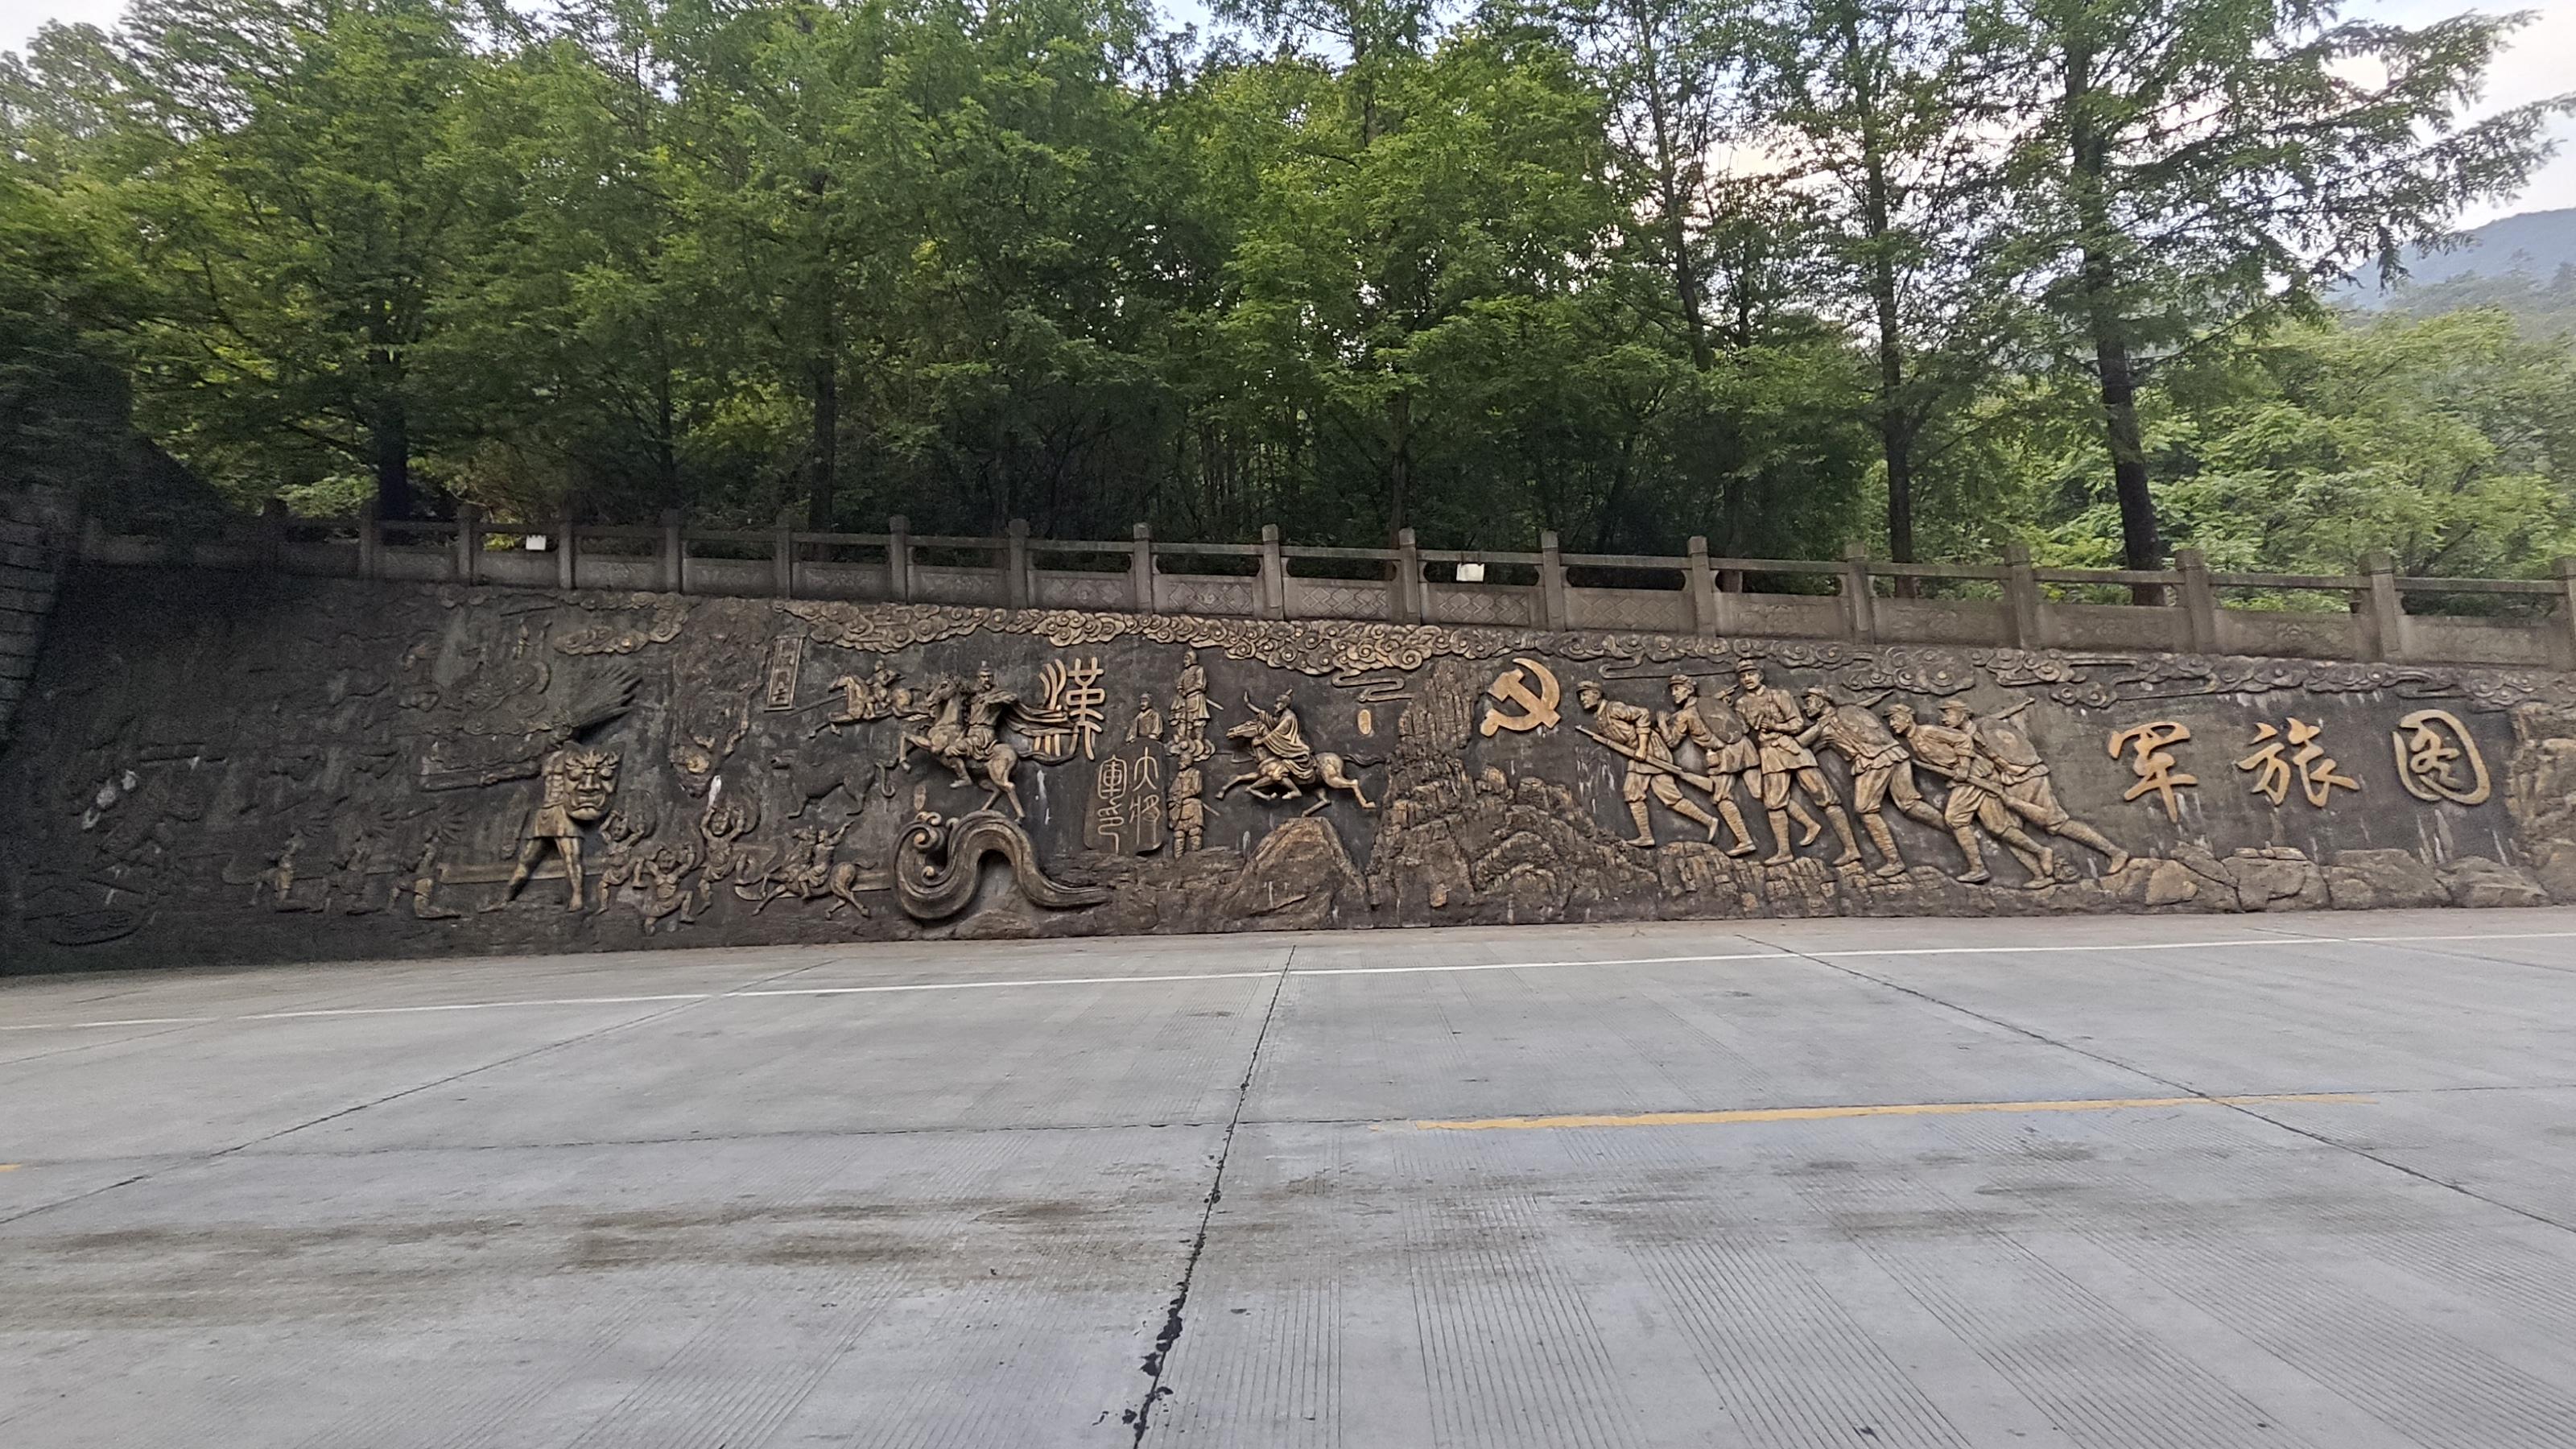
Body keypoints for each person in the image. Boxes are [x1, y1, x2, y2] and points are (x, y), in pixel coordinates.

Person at [1888, 704, 2054, 887]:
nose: (1892, 724)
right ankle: (2041, 853)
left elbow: (1963, 740)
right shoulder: (1913, 740)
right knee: (1997, 827)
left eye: (1895, 719)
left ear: (1907, 718)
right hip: (1973, 779)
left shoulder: (1928, 731)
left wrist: (1964, 767)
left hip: (1976, 775)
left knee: (1955, 818)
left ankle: (1978, 868)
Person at [1956, 700, 2130, 873]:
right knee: (2005, 830)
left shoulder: (1985, 728)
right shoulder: (1962, 734)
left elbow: (2003, 735)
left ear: (1963, 715)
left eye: (1948, 713)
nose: (1944, 719)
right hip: (2008, 780)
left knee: (2055, 823)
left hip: (2027, 777)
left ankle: (2114, 852)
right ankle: (2041, 874)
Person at [1796, 687, 1937, 878]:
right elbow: (1802, 742)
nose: (1805, 708)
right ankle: (1954, 829)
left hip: (1874, 762)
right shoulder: (1835, 721)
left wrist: (1825, 724)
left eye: (1809, 702)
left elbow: (1801, 742)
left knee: (1865, 809)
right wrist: (1822, 724)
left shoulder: (1842, 716)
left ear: (1821, 701)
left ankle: (1894, 861)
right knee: (1909, 805)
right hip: (1895, 754)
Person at [1731, 663, 1861, 867]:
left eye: (1751, 674)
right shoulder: (1741, 704)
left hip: (1793, 749)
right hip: (1769, 753)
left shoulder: (1780, 695)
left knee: (1826, 798)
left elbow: (1797, 723)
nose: (1747, 679)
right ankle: (1784, 852)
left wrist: (1776, 726)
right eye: (1743, 676)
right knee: (1774, 804)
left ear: (1760, 676)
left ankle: (1852, 849)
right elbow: (1744, 730)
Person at [1575, 679, 1726, 848]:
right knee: (1632, 792)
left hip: (1651, 750)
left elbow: (1643, 714)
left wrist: (1642, 747)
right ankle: (1646, 836)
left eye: (1585, 694)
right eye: (1581, 696)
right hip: (1635, 754)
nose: (1583, 699)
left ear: (1596, 694)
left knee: (1670, 797)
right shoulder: (1600, 717)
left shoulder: (1614, 708)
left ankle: (1709, 821)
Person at [1660, 675, 1758, 857]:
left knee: (1722, 798)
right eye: (1672, 690)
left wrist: (1662, 725)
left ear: (1689, 689)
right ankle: (1809, 823)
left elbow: (1672, 742)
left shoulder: (1685, 716)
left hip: (1722, 756)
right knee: (1764, 792)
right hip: (1744, 747)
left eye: (1677, 689)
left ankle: (1745, 841)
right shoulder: (1708, 703)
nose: (1674, 694)